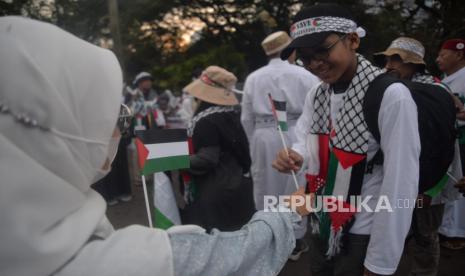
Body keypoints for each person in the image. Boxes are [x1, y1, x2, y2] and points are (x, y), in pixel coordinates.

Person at [0, 16, 313, 276]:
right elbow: (231, 254)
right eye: (105, 116)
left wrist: (177, 159)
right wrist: (286, 213)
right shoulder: (135, 263)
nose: (115, 130)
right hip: (245, 181)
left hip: (221, 189)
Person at [273, 4, 420, 275]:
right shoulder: (317, 94)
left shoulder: (391, 95)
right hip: (321, 220)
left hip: (363, 229)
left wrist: (380, 262)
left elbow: (401, 182)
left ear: (352, 40)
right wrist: (296, 155)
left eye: (322, 50)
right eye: (305, 57)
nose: (315, 64)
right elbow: (306, 139)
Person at [374, 36, 463, 275]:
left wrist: (428, 189)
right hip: (397, 181)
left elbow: (441, 144)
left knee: (424, 237)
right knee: (390, 231)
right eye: (387, 59)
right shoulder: (392, 89)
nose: (389, 65)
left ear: (415, 64)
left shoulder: (435, 92)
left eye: (397, 59)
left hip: (429, 183)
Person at [241, 30, 319, 260]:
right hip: (297, 131)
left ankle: (267, 234)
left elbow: (246, 118)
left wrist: (254, 142)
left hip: (263, 135)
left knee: (265, 183)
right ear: (292, 49)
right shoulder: (304, 75)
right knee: (296, 184)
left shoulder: (254, 77)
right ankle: (294, 238)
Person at [181, 66, 256, 232]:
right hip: (238, 183)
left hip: (215, 189)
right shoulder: (232, 113)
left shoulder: (206, 120)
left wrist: (177, 160)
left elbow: (208, 158)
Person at [436, 38, 465, 250]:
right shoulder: (446, 78)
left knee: (460, 183)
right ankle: (447, 230)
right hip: (450, 137)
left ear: (459, 54)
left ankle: (457, 233)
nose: (438, 59)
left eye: (443, 55)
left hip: (463, 136)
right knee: (451, 181)